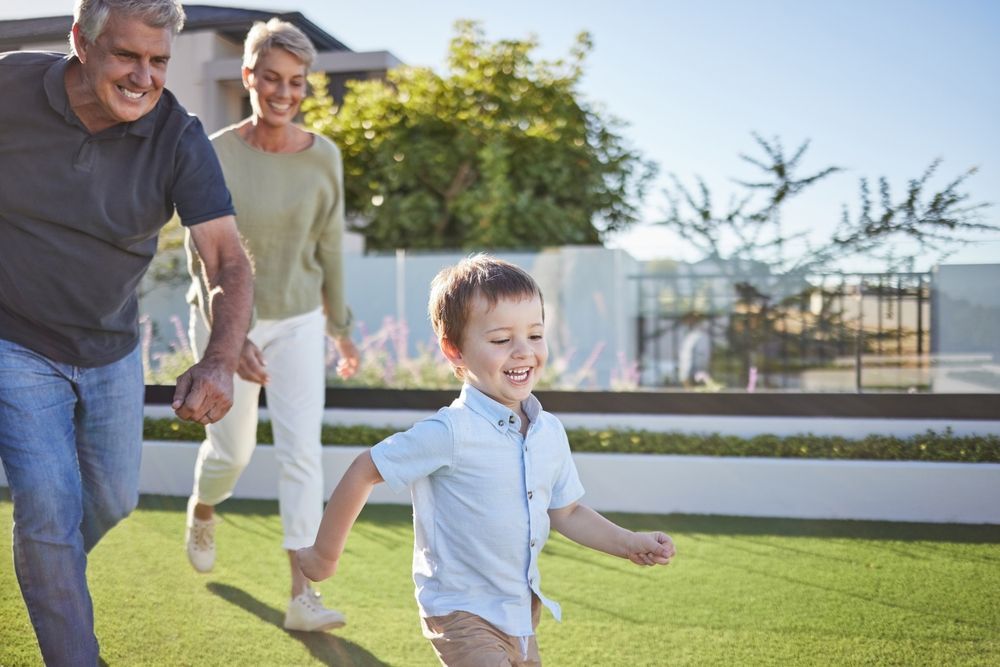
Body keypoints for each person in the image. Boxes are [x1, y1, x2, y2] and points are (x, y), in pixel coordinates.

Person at [0, 0, 254, 664]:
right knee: (50, 504)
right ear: (82, 42)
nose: (144, 77)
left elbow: (226, 258)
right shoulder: (9, 87)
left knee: (111, 499)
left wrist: (219, 356)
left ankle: (46, 567)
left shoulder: (179, 136)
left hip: (112, 346)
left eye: (159, 61)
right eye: (127, 55)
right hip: (14, 337)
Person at [296, 255, 675, 666]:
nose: (523, 352)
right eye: (500, 340)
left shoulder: (549, 432)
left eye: (535, 335)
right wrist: (324, 555)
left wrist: (629, 543)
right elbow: (365, 470)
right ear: (454, 350)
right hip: (459, 610)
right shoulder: (450, 432)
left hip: (520, 613)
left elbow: (566, 511)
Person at [182, 18, 360, 633]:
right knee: (233, 451)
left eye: (297, 82)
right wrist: (233, 340)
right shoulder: (215, 151)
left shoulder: (325, 157)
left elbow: (331, 247)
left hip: (301, 320)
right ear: (248, 76)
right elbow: (201, 257)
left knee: (302, 454)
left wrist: (341, 327)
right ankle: (205, 506)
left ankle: (301, 596)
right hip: (227, 324)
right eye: (272, 79)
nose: (284, 92)